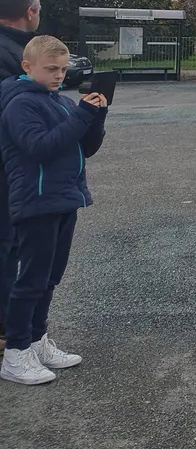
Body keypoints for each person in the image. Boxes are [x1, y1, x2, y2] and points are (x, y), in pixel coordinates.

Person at [0, 35, 106, 385]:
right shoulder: (20, 105)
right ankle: (15, 354)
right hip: (37, 201)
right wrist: (81, 116)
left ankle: (36, 341)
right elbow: (40, 147)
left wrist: (96, 117)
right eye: (51, 69)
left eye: (62, 69)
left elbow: (84, 147)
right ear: (27, 67)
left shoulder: (57, 101)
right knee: (30, 280)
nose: (59, 75)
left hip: (63, 198)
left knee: (50, 279)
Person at [0, 0, 40, 354]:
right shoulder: (14, 55)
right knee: (8, 246)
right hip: (9, 167)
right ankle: (10, 335)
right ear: (30, 11)